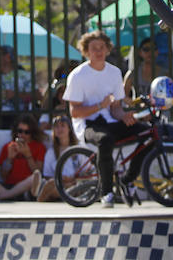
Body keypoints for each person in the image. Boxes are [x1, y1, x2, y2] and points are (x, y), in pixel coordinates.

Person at [63, 31, 150, 208]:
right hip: (88, 124)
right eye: (94, 48)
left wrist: (124, 116)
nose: (98, 51)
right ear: (86, 51)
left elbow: (116, 108)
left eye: (102, 47)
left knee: (150, 133)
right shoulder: (78, 75)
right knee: (105, 140)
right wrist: (99, 106)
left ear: (108, 49)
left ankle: (127, 179)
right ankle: (107, 193)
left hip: (110, 121)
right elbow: (75, 112)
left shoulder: (114, 72)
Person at [0, 114, 45, 201]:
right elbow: (3, 176)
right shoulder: (8, 147)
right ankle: (14, 196)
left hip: (27, 185)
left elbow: (38, 172)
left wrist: (28, 156)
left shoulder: (39, 147)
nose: (22, 135)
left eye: (26, 132)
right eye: (20, 131)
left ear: (32, 133)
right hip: (9, 185)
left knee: (34, 178)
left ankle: (3, 196)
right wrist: (9, 159)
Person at [0, 45, 35, 128]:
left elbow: (37, 96)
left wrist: (15, 94)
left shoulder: (24, 75)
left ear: (8, 57)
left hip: (15, 117)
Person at [37, 114, 79, 202]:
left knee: (69, 188)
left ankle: (38, 194)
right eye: (56, 127)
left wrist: (73, 179)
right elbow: (47, 176)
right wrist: (61, 178)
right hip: (59, 184)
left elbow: (88, 172)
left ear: (69, 129)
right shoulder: (51, 152)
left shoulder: (79, 149)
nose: (59, 129)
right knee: (53, 185)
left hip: (75, 185)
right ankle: (40, 193)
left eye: (63, 126)